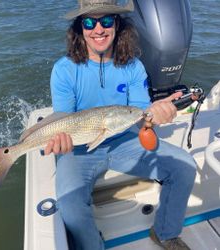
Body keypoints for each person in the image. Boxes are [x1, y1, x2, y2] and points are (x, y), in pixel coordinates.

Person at [45, 1, 197, 249]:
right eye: (89, 22)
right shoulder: (63, 70)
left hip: (125, 141)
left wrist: (153, 117)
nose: (98, 29)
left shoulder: (134, 67)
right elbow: (63, 119)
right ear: (79, 28)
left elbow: (140, 116)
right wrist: (60, 141)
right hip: (80, 150)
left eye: (106, 21)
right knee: (70, 206)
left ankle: (165, 233)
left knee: (185, 166)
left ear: (117, 25)